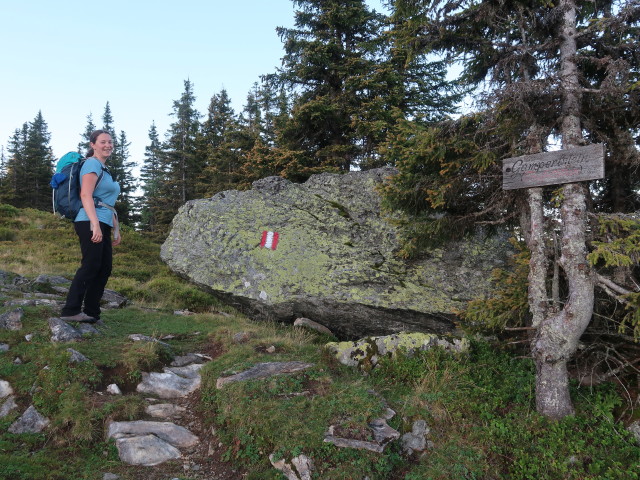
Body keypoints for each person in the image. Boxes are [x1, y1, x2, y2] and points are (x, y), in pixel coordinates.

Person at [60, 130, 121, 323]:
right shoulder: (92, 164)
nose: (108, 145)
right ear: (93, 145)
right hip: (88, 220)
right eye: (103, 142)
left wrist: (115, 228)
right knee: (91, 265)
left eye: (110, 142)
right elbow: (86, 195)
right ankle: (71, 310)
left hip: (103, 220)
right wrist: (94, 224)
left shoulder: (105, 169)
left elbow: (107, 202)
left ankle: (92, 313)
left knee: (104, 268)